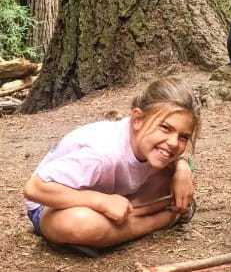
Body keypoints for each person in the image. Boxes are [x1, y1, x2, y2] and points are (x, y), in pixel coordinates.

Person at [23, 77, 200, 257]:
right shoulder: (101, 153)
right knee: (79, 223)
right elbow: (34, 188)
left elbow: (175, 158)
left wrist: (183, 168)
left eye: (183, 137)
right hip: (52, 204)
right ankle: (165, 218)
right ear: (137, 119)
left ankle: (114, 228)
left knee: (169, 178)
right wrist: (101, 201)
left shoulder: (148, 142)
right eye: (165, 128)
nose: (173, 142)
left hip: (116, 196)